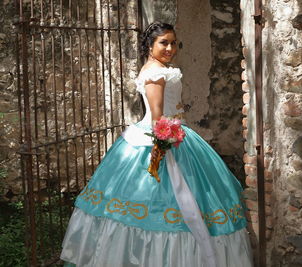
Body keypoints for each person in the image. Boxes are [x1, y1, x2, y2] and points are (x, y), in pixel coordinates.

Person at [60, 21, 253, 267]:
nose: (170, 48)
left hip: (175, 132)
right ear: (149, 45)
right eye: (164, 43)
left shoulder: (159, 68)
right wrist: (160, 148)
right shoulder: (155, 73)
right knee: (166, 202)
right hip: (163, 136)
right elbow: (157, 116)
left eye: (173, 43)